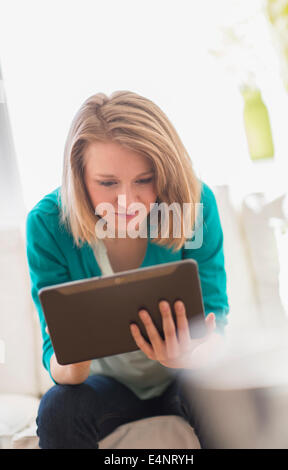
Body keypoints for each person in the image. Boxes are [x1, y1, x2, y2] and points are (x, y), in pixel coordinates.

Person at [25, 90, 230, 449]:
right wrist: (72, 366)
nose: (127, 202)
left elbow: (215, 324)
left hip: (185, 379)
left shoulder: (194, 205)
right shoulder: (47, 224)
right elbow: (53, 353)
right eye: (107, 183)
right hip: (106, 389)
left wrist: (190, 356)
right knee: (59, 406)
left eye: (144, 179)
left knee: (223, 391)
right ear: (78, 176)